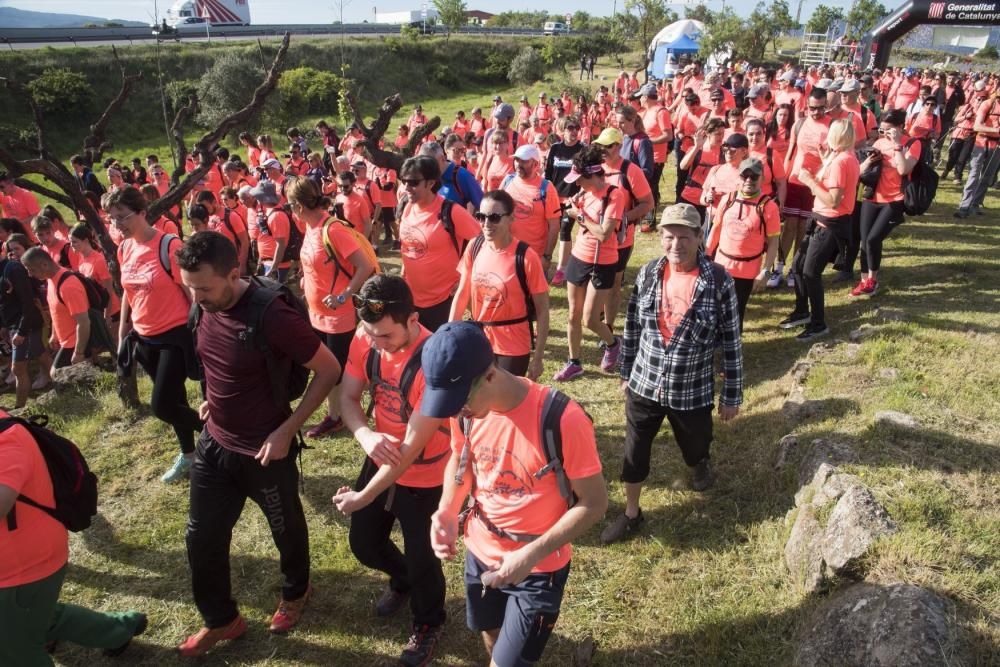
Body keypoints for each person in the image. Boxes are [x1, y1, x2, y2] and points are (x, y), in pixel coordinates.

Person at [175, 231, 341, 657]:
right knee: (201, 538)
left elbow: (329, 369)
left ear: (234, 273)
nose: (197, 297)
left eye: (205, 288)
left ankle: (296, 590)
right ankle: (221, 619)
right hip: (215, 445)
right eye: (190, 287)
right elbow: (214, 357)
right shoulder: (203, 303)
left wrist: (287, 431)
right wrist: (211, 397)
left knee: (285, 530)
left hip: (266, 449)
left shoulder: (272, 315)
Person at [426, 322, 608, 667]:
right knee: (491, 633)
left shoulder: (562, 419)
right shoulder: (465, 411)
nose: (455, 411)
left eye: (460, 400)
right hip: (480, 552)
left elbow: (595, 503)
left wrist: (529, 555)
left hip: (538, 567)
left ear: (491, 375)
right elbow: (461, 460)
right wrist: (447, 509)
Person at [602, 204, 743, 543]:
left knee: (695, 443)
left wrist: (731, 394)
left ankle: (699, 462)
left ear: (699, 237)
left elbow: (731, 340)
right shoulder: (649, 273)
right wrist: (626, 371)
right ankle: (632, 513)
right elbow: (633, 325)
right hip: (645, 384)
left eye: (683, 236)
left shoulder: (719, 282)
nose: (675, 244)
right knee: (634, 453)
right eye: (668, 236)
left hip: (690, 390)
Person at [331, 275, 452, 667]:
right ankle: (402, 580)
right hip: (381, 456)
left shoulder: (434, 361)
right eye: (370, 333)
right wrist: (366, 434)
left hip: (425, 474)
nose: (376, 343)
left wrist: (361, 496)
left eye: (385, 336)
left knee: (424, 560)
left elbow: (409, 450)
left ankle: (429, 621)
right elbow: (348, 397)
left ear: (413, 319)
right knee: (364, 545)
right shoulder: (366, 337)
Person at [0, 410, 149, 665]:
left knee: (15, 652)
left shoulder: (7, 438)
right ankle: (118, 629)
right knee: (36, 617)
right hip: (20, 567)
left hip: (22, 568)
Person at [109, 186, 203, 483]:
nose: (117, 224)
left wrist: (203, 329)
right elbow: (128, 289)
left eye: (122, 217)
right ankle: (189, 455)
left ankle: (223, 435)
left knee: (162, 405)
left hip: (174, 336)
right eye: (112, 219)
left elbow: (192, 290)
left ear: (142, 212)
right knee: (176, 401)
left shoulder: (169, 245)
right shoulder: (124, 248)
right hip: (143, 336)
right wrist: (124, 327)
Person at [289, 176, 377, 438]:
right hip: (316, 314)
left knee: (335, 372)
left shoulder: (333, 229)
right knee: (328, 370)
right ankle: (337, 414)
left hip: (339, 316)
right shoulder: (310, 228)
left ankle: (338, 416)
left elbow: (365, 266)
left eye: (290, 205)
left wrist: (344, 295)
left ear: (299, 206)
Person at [450, 190, 550, 378]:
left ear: (511, 218)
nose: (486, 224)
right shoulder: (474, 246)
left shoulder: (526, 257)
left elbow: (543, 310)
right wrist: (448, 334)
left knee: (504, 405)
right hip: (478, 340)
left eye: (494, 217)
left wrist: (538, 358)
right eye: (481, 217)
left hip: (513, 345)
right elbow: (462, 294)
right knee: (478, 400)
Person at [780, 119, 860, 341]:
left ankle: (818, 323)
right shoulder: (843, 157)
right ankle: (802, 312)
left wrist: (809, 181)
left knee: (810, 273)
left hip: (829, 223)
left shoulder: (841, 162)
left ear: (836, 136)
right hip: (820, 220)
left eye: (829, 134)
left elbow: (834, 200)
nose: (824, 139)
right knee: (797, 265)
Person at [554, 144, 627, 381]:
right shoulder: (583, 194)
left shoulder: (615, 195)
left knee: (590, 320)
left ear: (592, 175)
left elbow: (605, 233)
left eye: (579, 179)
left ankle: (613, 343)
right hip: (579, 256)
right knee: (573, 315)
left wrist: (580, 216)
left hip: (603, 262)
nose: (576, 184)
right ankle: (574, 362)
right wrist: (573, 210)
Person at [397, 156, 480, 332]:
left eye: (413, 182)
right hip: (411, 299)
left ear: (430, 183)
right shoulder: (406, 207)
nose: (406, 187)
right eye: (403, 180)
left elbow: (483, 244)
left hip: (443, 301)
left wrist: (467, 279)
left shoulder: (451, 211)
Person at [853, 110, 921, 298]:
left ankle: (873, 280)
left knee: (874, 238)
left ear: (900, 127)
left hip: (895, 199)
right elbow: (864, 170)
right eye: (882, 130)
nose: (884, 134)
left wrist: (897, 145)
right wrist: (869, 160)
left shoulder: (912, 144)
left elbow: (903, 169)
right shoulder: (879, 143)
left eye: (888, 130)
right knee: (865, 241)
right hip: (872, 197)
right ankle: (864, 280)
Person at [705, 158, 781, 328]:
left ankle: (731, 349)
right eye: (745, 175)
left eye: (754, 176)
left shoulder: (769, 207)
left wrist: (765, 271)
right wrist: (707, 255)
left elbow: (774, 242)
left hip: (747, 271)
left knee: (736, 312)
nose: (749, 180)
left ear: (762, 178)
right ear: (739, 176)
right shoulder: (728, 199)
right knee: (714, 308)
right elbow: (716, 229)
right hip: (721, 265)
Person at [594, 128, 655, 333]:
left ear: (619, 146)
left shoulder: (631, 171)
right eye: (600, 145)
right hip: (596, 236)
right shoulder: (596, 168)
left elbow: (648, 203)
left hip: (621, 239)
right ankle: (597, 315)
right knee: (597, 280)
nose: (603, 150)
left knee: (613, 285)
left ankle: (609, 327)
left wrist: (623, 218)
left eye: (608, 146)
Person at [777, 89, 831, 289]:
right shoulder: (799, 124)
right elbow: (790, 153)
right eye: (812, 108)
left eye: (820, 108)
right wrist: (781, 180)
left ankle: (795, 267)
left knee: (804, 228)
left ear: (826, 106)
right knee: (789, 225)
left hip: (815, 184)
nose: (816, 112)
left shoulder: (831, 126)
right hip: (794, 180)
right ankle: (779, 267)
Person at [0, 241, 53, 407]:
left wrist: (21, 331)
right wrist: (3, 326)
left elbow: (28, 302)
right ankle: (63, 383)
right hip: (13, 324)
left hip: (25, 324)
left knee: (18, 368)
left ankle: (19, 408)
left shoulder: (13, 269)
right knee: (41, 354)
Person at [499, 144, 560, 270]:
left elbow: (554, 226)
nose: (518, 164)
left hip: (533, 257)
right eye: (516, 160)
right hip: (507, 252)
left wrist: (547, 256)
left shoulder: (547, 188)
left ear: (536, 164)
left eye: (524, 161)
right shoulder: (507, 181)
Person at [545, 118, 586, 287]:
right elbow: (548, 174)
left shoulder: (582, 150)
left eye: (577, 128)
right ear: (562, 130)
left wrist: (579, 195)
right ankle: (545, 264)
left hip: (572, 199)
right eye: (570, 128)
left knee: (564, 230)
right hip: (553, 198)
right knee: (549, 230)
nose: (574, 131)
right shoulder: (555, 148)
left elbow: (587, 176)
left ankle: (562, 268)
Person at [954, 88, 1000, 219]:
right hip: (981, 142)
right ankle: (964, 206)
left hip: (996, 145)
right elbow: (977, 126)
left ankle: (975, 204)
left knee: (987, 177)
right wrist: (995, 129)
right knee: (974, 174)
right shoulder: (988, 104)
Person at [248, 181, 292, 280]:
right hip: (268, 262)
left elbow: (281, 244)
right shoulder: (269, 210)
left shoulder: (277, 216)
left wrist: (273, 269)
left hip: (276, 266)